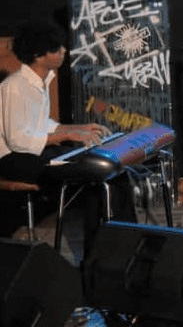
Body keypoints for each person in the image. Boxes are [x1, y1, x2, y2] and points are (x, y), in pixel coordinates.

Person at [0, 21, 135, 251]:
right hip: (14, 160)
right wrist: (68, 135)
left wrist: (80, 129)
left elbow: (43, 125)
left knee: (116, 171)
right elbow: (18, 140)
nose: (63, 51)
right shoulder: (15, 86)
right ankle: (99, 255)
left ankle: (128, 244)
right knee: (94, 175)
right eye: (56, 49)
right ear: (38, 55)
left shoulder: (40, 81)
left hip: (35, 154)